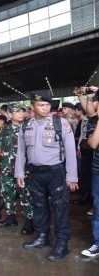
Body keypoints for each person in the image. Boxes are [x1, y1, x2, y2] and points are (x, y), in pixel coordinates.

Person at [15, 91, 78, 261]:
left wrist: (72, 177)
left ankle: (62, 244)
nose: (45, 108)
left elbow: (71, 151)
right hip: (35, 173)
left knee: (60, 207)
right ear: (32, 107)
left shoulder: (61, 123)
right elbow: (21, 150)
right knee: (39, 205)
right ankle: (42, 237)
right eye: (41, 105)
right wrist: (19, 172)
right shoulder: (26, 125)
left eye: (47, 105)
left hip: (56, 172)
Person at [0, 103, 33, 235]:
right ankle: (11, 218)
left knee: (25, 193)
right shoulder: (3, 129)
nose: (21, 114)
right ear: (10, 114)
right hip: (6, 166)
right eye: (17, 112)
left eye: (22, 111)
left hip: (23, 168)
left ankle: (29, 221)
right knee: (7, 192)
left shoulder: (29, 127)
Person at [81, 85, 99, 257]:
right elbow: (93, 144)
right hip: (98, 172)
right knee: (98, 209)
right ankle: (97, 243)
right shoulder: (93, 122)